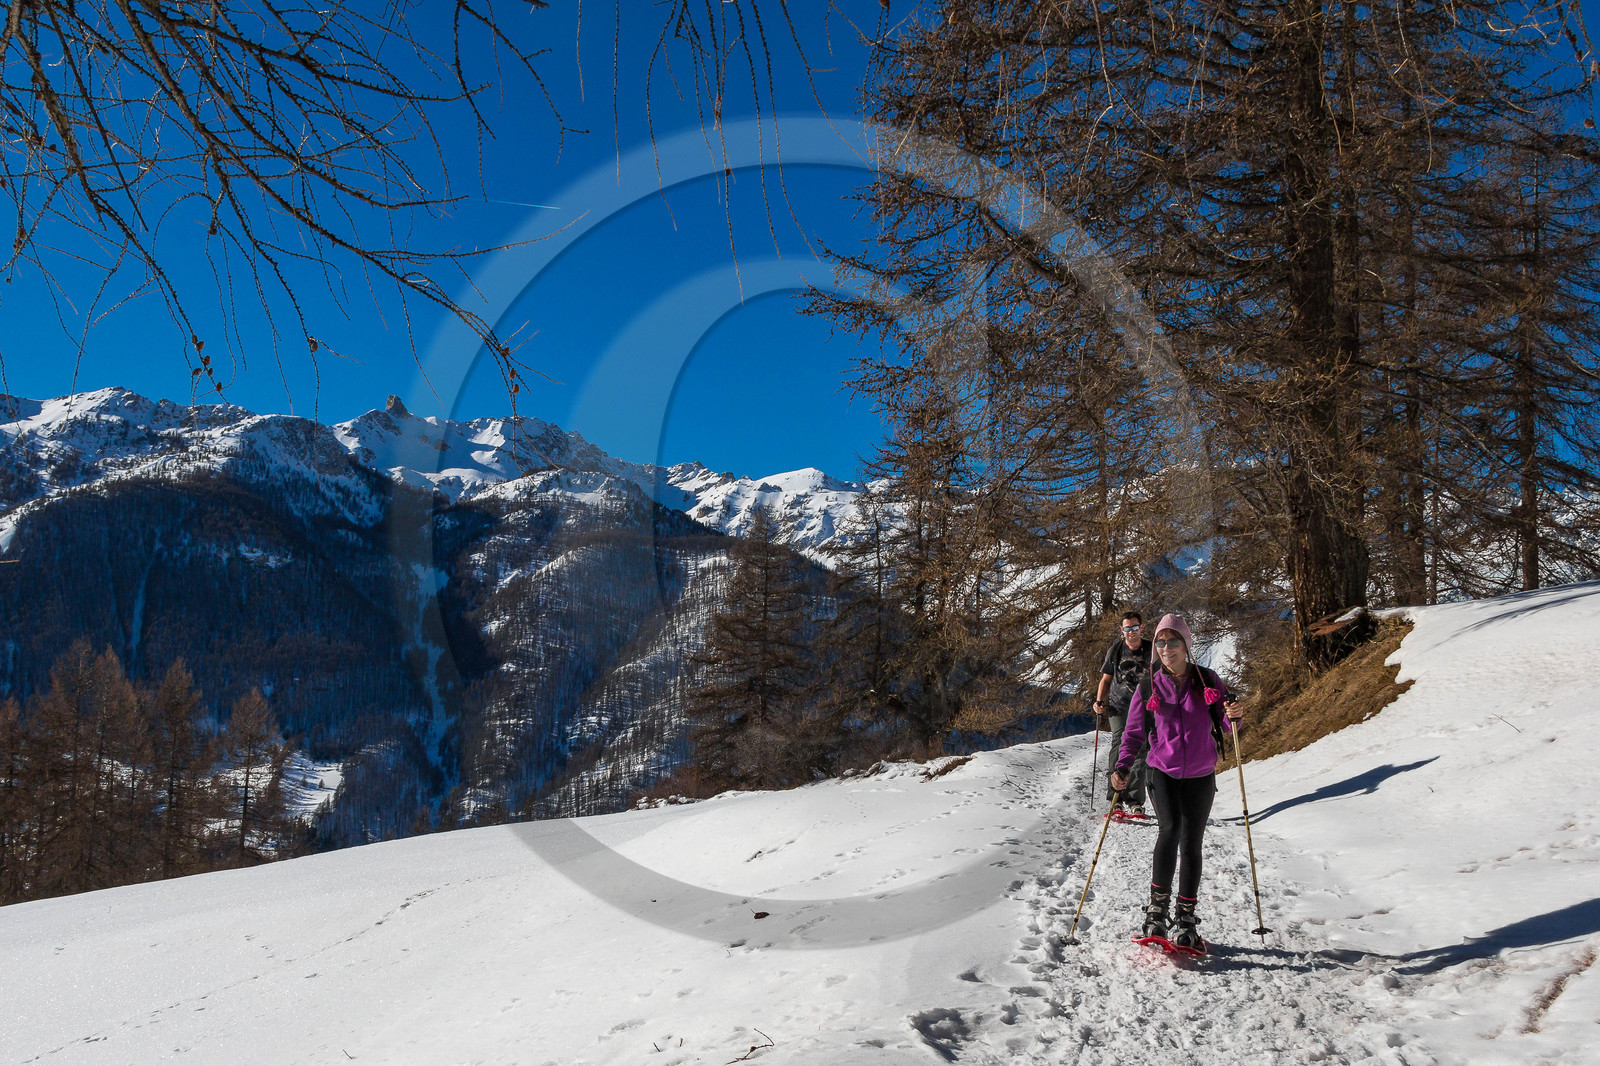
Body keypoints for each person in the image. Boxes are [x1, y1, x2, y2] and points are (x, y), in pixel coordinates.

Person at [1109, 612, 1244, 951]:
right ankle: (1157, 912)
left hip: (1200, 774)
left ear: (1186, 644)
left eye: (1174, 641)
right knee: (1169, 831)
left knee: (1192, 842)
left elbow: (1228, 727)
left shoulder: (1207, 680)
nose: (1167, 648)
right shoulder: (1148, 685)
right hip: (1162, 771)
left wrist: (1235, 719)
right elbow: (1134, 732)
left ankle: (1185, 919)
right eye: (1161, 642)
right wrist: (1123, 766)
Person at [1093, 611, 1152, 814]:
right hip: (1119, 705)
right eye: (1127, 628)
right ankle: (1115, 797)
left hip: (1144, 707)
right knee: (1118, 744)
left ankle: (1135, 801)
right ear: (1122, 630)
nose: (1131, 632)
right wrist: (1099, 701)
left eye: (1135, 627)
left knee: (1140, 749)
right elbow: (1106, 678)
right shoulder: (1116, 650)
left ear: (1141, 628)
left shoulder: (1152, 650)